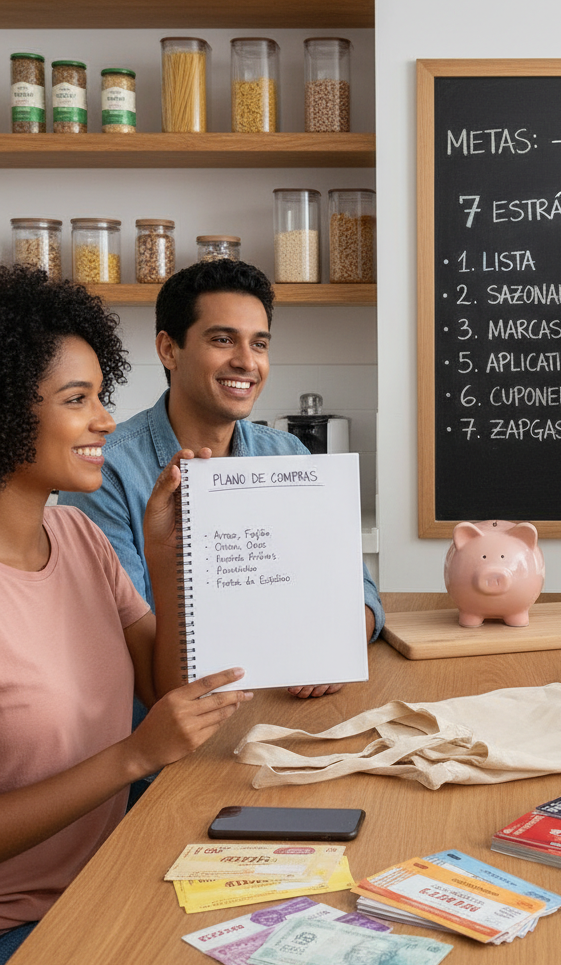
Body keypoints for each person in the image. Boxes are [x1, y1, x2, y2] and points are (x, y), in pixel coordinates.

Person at [0, 266, 251, 965]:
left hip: (111, 883)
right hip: (20, 928)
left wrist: (166, 554)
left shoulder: (79, 537)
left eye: (101, 396)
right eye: (77, 400)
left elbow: (165, 691)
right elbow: (150, 740)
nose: (106, 419)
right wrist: (135, 756)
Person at [61, 259, 384, 698]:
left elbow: (358, 589)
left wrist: (342, 641)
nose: (246, 362)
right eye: (222, 339)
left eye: (259, 344)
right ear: (168, 349)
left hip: (285, 707)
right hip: (170, 724)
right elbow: (126, 642)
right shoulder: (106, 471)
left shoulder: (288, 454)